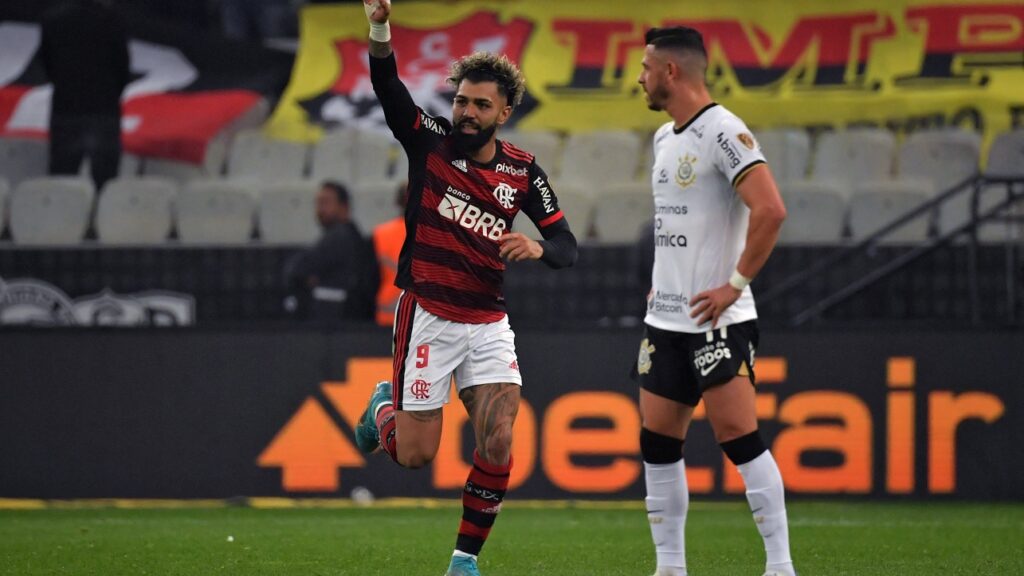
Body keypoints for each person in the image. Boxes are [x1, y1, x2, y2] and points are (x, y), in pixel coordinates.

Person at [354, 2, 578, 575]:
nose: (467, 112)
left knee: (499, 443)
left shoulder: (524, 171)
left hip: (487, 321)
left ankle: (463, 561)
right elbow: (385, 82)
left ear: (505, 110)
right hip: (428, 311)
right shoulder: (428, 142)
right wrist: (380, 27)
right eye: (460, 100)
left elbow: (568, 247)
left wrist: (539, 247)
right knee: (414, 457)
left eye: (481, 104)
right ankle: (386, 407)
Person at [633, 27, 794, 576]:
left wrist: (735, 284)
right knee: (657, 443)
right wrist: (664, 280)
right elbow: (676, 226)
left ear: (671, 72)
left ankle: (780, 565)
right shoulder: (663, 137)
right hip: (666, 320)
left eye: (646, 68)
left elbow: (770, 210)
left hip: (717, 321)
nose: (640, 78)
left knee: (739, 437)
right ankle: (670, 567)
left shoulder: (724, 130)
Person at [39, 0, 130, 192]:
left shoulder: (53, 19)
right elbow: (122, 67)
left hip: (66, 109)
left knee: (61, 187)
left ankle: (61, 222)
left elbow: (47, 64)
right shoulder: (112, 19)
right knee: (106, 188)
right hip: (104, 110)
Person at [284, 180, 377, 325]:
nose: (320, 209)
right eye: (318, 203)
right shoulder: (345, 235)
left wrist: (311, 277)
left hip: (337, 320)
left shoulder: (340, 236)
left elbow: (299, 268)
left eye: (326, 202)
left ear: (344, 206)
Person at [371, 181, 408, 327]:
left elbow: (370, 280)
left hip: (387, 318)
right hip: (425, 322)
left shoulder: (381, 233)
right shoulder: (438, 233)